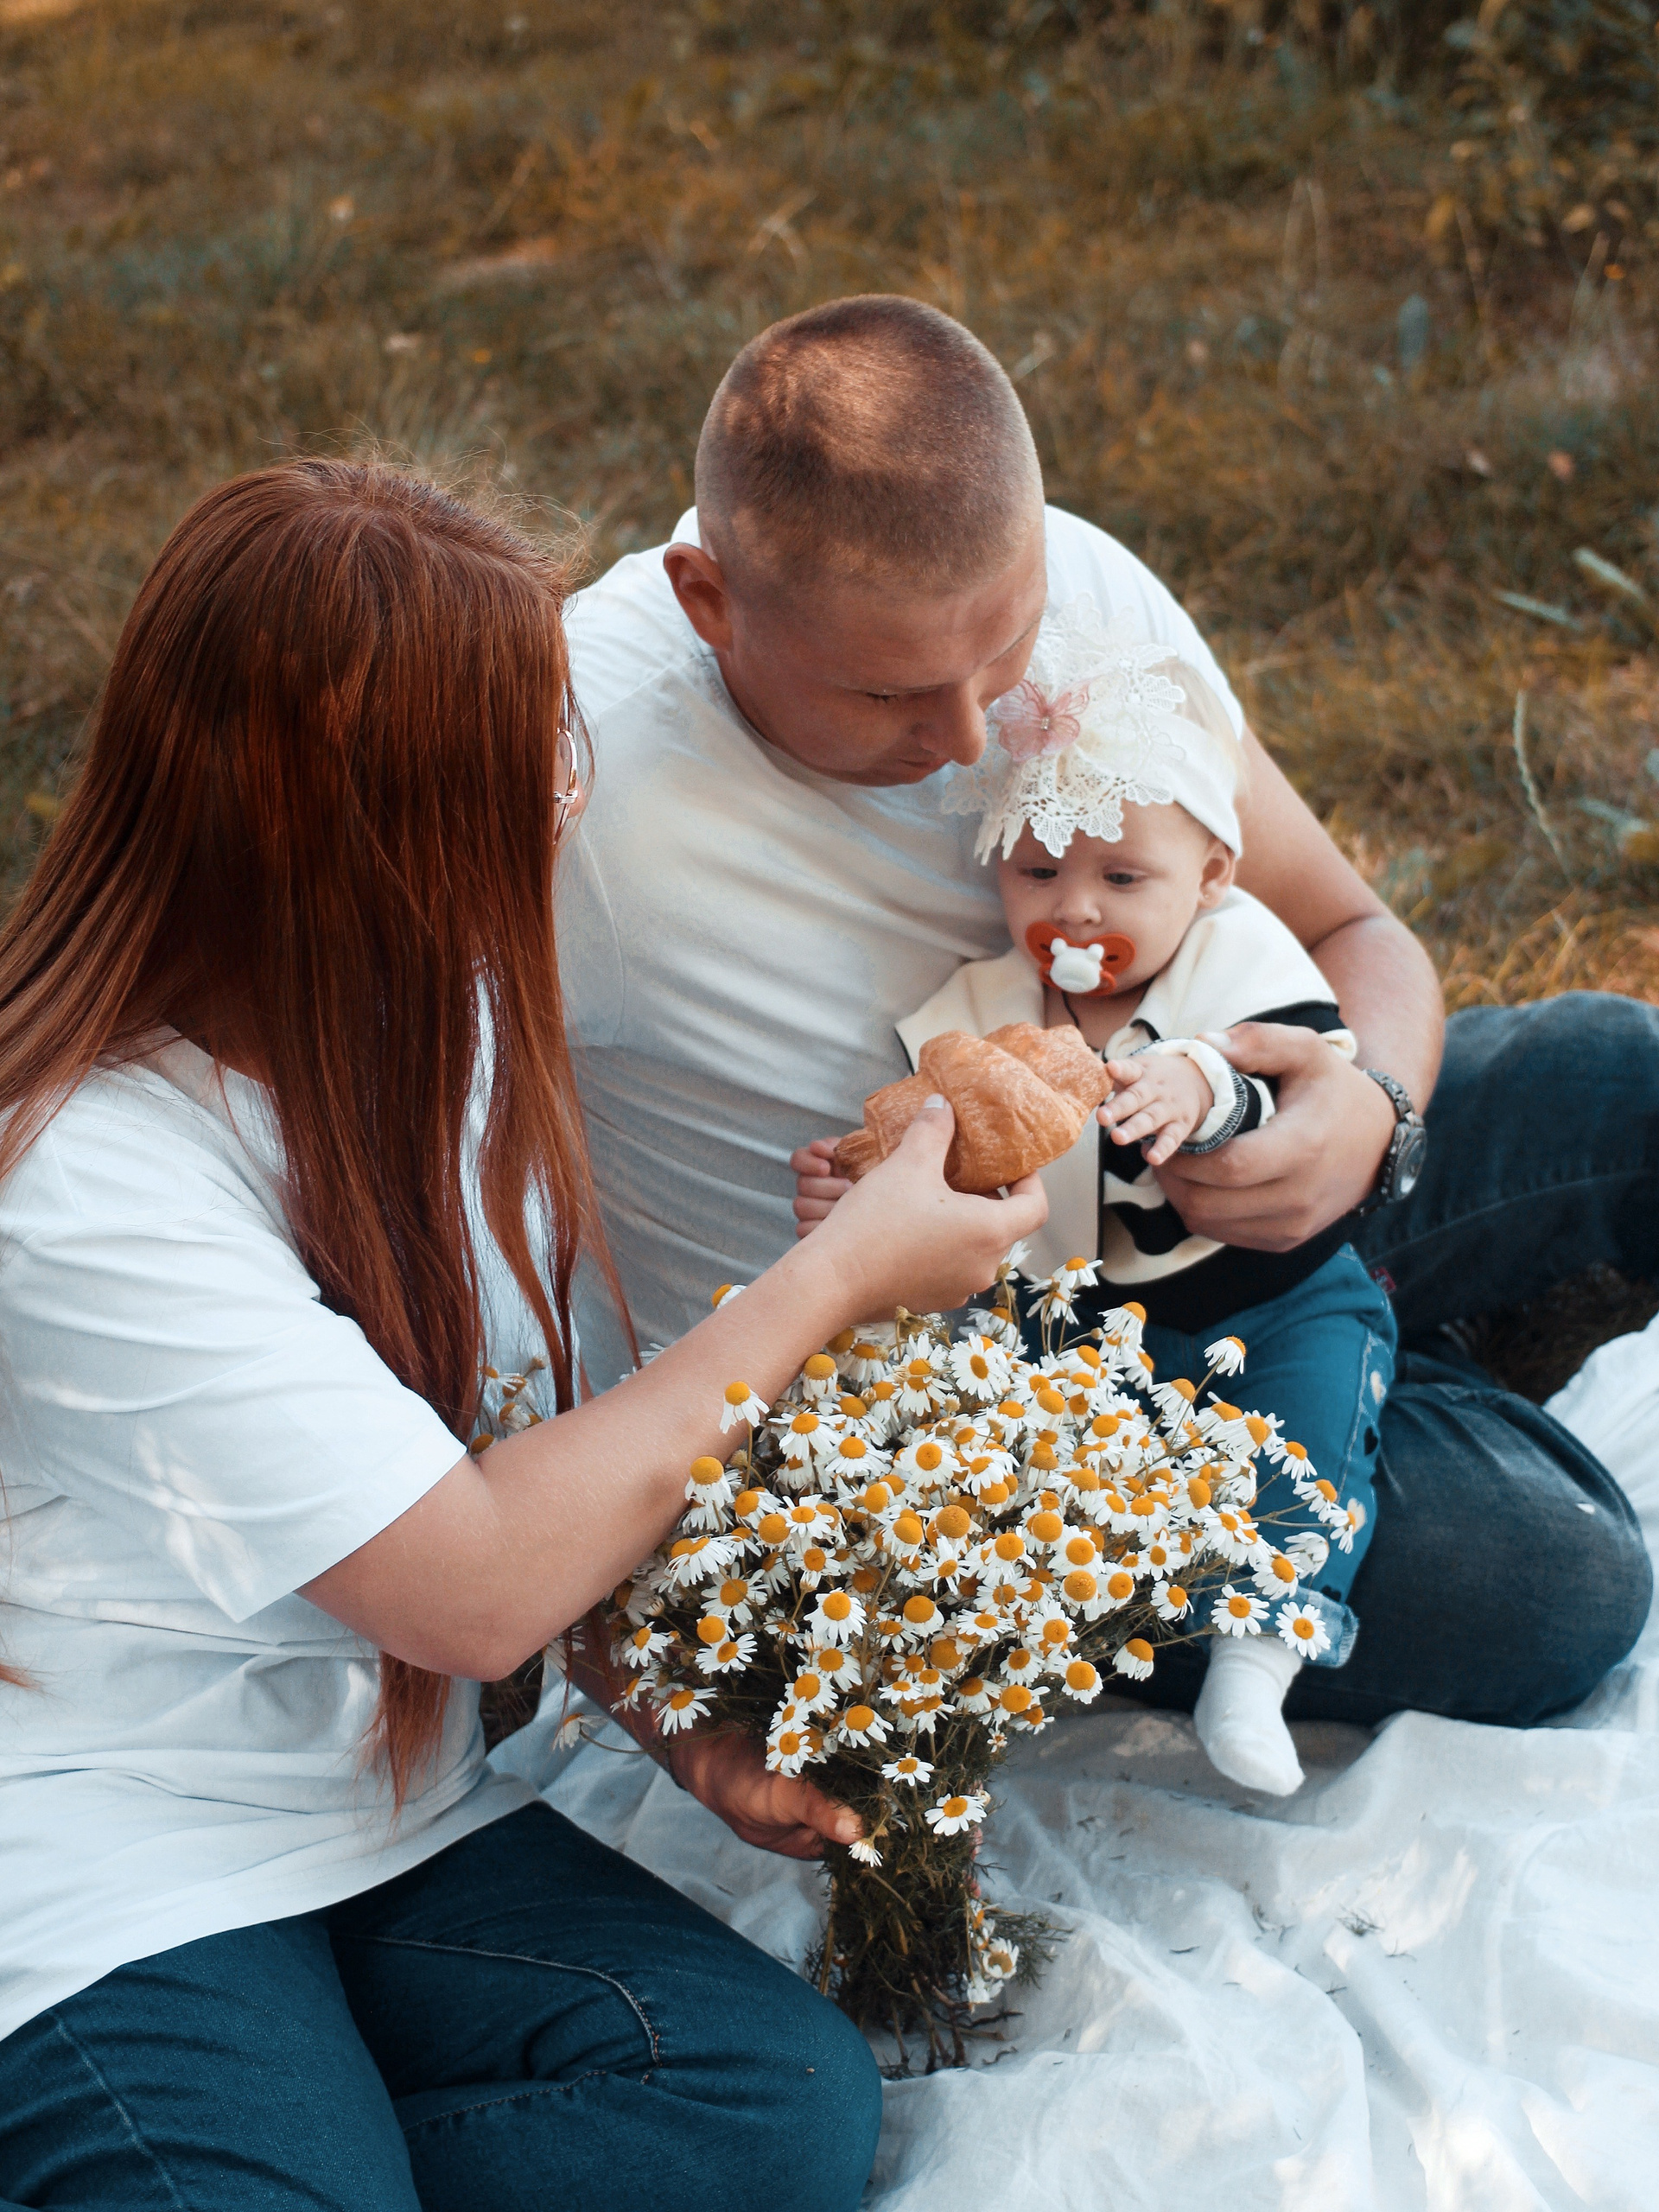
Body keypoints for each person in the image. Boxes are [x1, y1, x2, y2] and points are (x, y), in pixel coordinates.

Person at [0, 460, 1047, 2212]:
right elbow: (473, 1585)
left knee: (774, 2105)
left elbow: (514, 1444)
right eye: (532, 759)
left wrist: (680, 1733)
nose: (575, 784)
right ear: (372, 836)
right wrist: (833, 1281)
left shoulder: (445, 1017)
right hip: (108, 1851)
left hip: (383, 1822)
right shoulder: (83, 1180)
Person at [559, 293, 1652, 1738]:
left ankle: (1359, 1359)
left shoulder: (1077, 583)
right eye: (887, 694)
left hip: (1225, 1175)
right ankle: (1368, 1378)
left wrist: (1370, 1109)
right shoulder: (575, 790)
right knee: (1556, 1583)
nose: (966, 739)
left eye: (1004, 653)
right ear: (710, 601)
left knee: (1621, 1078)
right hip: (986, 1391)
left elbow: (1351, 928)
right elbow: (410, 1229)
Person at [794, 598, 1393, 1796]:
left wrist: (1203, 1086)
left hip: (1270, 1295)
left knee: (1311, 1442)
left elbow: (1289, 1076)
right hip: (1082, 1324)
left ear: (1209, 877)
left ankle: (1258, 1654)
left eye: (1122, 876)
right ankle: (983, 1641)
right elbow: (944, 1146)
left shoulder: (1240, 959)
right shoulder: (985, 1009)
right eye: (1039, 870)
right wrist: (855, 1188)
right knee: (1008, 1448)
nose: (1075, 908)